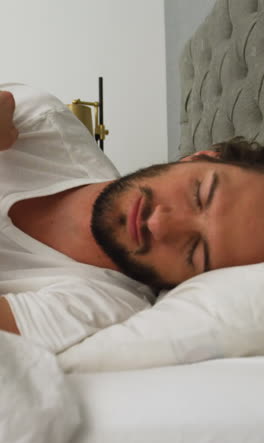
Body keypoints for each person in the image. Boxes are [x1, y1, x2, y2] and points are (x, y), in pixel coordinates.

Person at [0, 83, 264, 351]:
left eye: (194, 251)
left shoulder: (100, 308)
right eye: (198, 195)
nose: (159, 223)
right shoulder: (42, 123)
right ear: (198, 158)